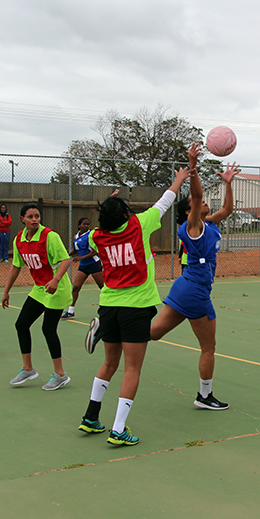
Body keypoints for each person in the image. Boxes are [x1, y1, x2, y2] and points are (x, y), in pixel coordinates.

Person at [79, 164, 191, 446]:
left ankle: (91, 417)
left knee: (109, 363)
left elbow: (83, 239)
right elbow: (166, 200)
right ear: (126, 215)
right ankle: (118, 429)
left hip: (108, 305)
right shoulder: (139, 224)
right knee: (132, 369)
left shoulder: (96, 236)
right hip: (136, 307)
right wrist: (179, 178)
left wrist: (108, 208)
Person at [149, 144, 240, 411]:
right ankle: (204, 396)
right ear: (190, 211)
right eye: (197, 204)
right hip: (196, 290)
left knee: (153, 333)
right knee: (209, 346)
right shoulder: (193, 227)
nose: (202, 203)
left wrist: (228, 184)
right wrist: (193, 166)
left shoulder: (209, 222)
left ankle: (108, 329)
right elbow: (197, 194)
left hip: (184, 287)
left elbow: (228, 210)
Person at [2, 203, 74, 390]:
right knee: (21, 324)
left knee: (48, 329)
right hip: (40, 289)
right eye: (30, 216)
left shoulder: (50, 236)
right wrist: (6, 290)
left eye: (37, 216)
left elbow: (66, 260)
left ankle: (60, 374)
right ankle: (28, 369)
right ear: (22, 219)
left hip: (57, 288)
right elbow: (16, 266)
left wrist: (56, 280)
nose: (34, 219)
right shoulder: (19, 239)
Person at [61, 217, 104, 319]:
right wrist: (66, 256)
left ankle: (107, 308)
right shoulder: (77, 236)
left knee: (103, 288)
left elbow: (95, 251)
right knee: (75, 287)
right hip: (83, 266)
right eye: (84, 224)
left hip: (94, 264)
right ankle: (70, 312)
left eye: (88, 224)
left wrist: (81, 257)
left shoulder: (90, 236)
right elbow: (75, 250)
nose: (86, 226)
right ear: (79, 225)